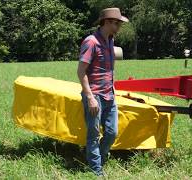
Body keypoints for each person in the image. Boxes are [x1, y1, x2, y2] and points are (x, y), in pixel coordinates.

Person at [77, 7, 129, 176]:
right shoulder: (91, 42)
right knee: (93, 134)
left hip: (109, 94)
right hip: (95, 95)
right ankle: (96, 171)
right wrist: (90, 97)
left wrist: (113, 88)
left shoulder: (110, 40)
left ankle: (98, 158)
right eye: (117, 23)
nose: (119, 27)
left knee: (112, 132)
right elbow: (81, 71)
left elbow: (109, 69)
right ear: (107, 22)